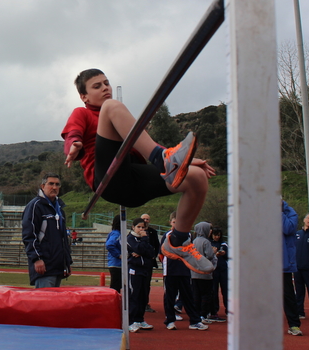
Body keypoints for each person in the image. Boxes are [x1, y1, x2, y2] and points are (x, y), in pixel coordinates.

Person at [62, 69, 216, 274]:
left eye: (106, 83)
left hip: (133, 181)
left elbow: (143, 145)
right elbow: (72, 133)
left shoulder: (120, 117)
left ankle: (177, 241)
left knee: (197, 178)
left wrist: (187, 161)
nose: (105, 87)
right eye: (97, 86)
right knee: (111, 107)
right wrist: (74, 144)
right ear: (84, 96)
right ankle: (163, 160)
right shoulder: (84, 112)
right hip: (109, 181)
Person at [21, 173, 72, 288]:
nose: (54, 187)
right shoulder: (35, 206)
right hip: (44, 266)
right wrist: (36, 258)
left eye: (57, 184)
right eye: (51, 184)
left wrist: (67, 262)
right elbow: (29, 235)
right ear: (42, 186)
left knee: (55, 304)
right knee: (44, 303)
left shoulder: (59, 209)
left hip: (58, 267)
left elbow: (63, 238)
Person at [161, 212, 207, 330]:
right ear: (171, 222)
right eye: (174, 222)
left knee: (188, 296)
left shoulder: (188, 235)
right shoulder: (167, 235)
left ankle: (194, 321)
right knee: (170, 296)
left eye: (179, 223)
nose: (177, 225)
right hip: (171, 270)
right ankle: (170, 320)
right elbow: (162, 253)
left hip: (184, 270)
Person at [127, 217, 155, 331]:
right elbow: (138, 249)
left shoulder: (145, 239)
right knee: (134, 295)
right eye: (139, 227)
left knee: (143, 295)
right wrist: (142, 249)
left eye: (143, 227)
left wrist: (143, 249)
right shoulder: (130, 238)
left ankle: (140, 319)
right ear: (133, 227)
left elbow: (151, 252)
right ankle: (131, 321)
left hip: (145, 270)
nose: (141, 229)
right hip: (134, 270)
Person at [190, 222, 218, 324]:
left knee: (196, 295)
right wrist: (214, 252)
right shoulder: (206, 242)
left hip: (194, 273)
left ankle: (197, 314)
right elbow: (209, 255)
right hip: (205, 273)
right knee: (206, 294)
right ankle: (203, 314)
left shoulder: (194, 241)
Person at [282, 200, 302, 336]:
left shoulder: (290, 213)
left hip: (283, 264)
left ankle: (294, 325)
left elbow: (288, 228)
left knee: (288, 296)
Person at [140, 213, 160, 312]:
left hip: (149, 262)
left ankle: (145, 303)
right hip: (138, 262)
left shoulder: (153, 232)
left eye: (147, 219)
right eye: (144, 219)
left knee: (147, 283)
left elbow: (157, 245)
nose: (145, 221)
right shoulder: (136, 232)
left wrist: (153, 256)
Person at [210, 227, 229, 321]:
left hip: (223, 270)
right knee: (214, 291)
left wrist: (223, 253)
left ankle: (229, 309)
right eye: (215, 235)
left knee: (226, 290)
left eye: (218, 235)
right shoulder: (209, 243)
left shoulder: (223, 243)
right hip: (213, 270)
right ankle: (214, 310)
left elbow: (226, 252)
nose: (217, 237)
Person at [105, 214, 122, 292]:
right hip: (116, 264)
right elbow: (109, 244)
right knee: (115, 286)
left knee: (118, 285)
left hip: (116, 264)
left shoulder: (117, 233)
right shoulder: (116, 234)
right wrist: (118, 255)